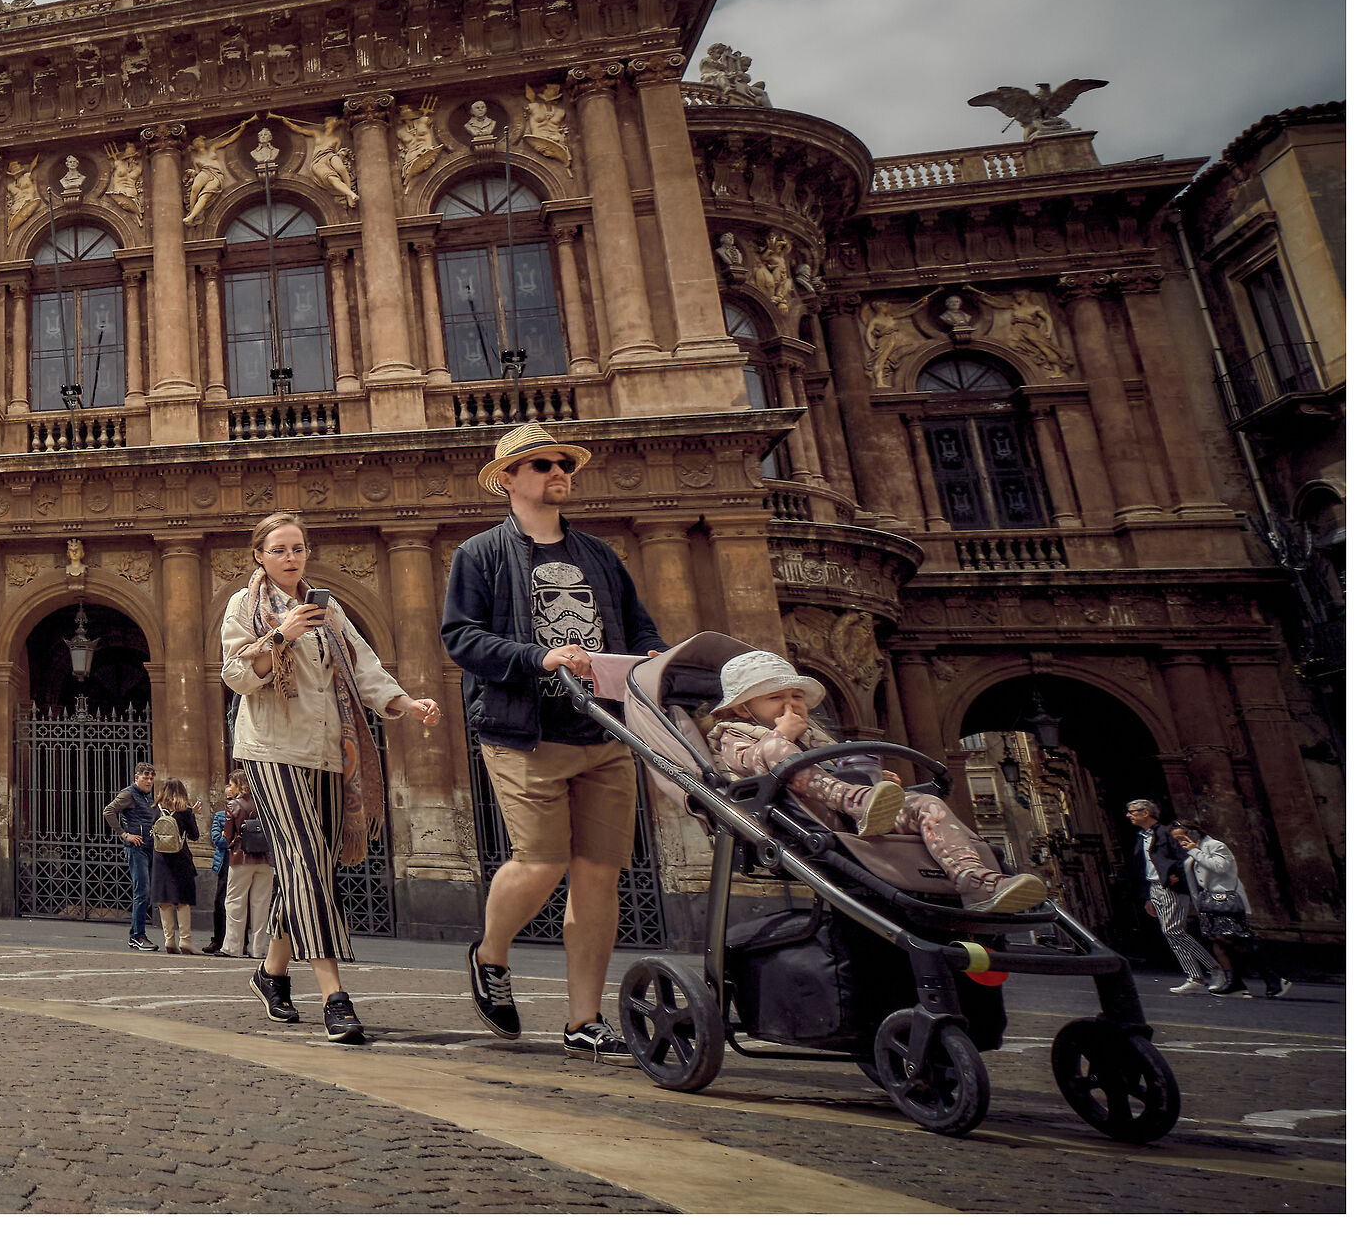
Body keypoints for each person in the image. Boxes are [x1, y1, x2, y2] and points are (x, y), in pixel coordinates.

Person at [441, 423, 668, 1064]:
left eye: (563, 463)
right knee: (541, 863)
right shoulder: (480, 555)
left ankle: (583, 1021)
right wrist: (540, 657)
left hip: (604, 731)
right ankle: (490, 953)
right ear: (507, 479)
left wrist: (652, 658)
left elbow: (639, 626)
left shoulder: (599, 555)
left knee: (599, 877)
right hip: (525, 732)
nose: (556, 471)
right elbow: (461, 640)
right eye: (539, 464)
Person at [224, 511, 442, 1044]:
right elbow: (235, 676)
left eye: (297, 548)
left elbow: (361, 664)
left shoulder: (327, 606)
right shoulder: (244, 608)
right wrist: (279, 635)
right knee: (305, 861)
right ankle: (334, 997)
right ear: (259, 556)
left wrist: (404, 702)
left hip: (326, 754)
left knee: (310, 867)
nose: (290, 557)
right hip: (272, 751)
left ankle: (271, 973)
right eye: (278, 549)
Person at [708, 651, 1046, 914]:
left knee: (928, 804)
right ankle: (860, 800)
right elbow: (750, 763)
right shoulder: (735, 735)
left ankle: (975, 880)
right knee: (779, 753)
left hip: (861, 818)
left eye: (797, 696)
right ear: (741, 710)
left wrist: (876, 779)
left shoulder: (814, 736)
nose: (791, 704)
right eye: (774, 698)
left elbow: (840, 763)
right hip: (805, 817)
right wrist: (782, 736)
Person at [1173, 820, 1293, 999]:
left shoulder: (1215, 846)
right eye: (1177, 840)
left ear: (1194, 833)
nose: (1180, 842)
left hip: (1226, 901)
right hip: (1209, 903)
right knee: (1217, 940)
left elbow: (1220, 868)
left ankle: (1273, 978)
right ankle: (1235, 984)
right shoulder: (1193, 852)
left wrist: (1194, 850)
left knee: (1230, 940)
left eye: (1181, 837)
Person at [1126, 799, 1226, 993]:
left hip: (1170, 887)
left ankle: (1215, 969)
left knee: (1173, 930)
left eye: (1132, 812)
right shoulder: (1141, 837)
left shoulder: (1166, 833)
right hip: (1154, 888)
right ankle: (1195, 977)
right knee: (1171, 934)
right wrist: (1147, 896)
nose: (1128, 815)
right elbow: (1143, 867)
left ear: (1145, 812)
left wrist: (1177, 878)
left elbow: (1184, 858)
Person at [102, 764, 163, 951]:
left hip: (149, 847)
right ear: (136, 777)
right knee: (141, 891)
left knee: (146, 892)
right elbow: (108, 811)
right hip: (136, 849)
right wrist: (124, 834)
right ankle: (137, 936)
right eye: (146, 777)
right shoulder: (128, 794)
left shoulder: (148, 796)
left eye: (152, 778)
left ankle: (137, 935)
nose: (149, 781)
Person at [219, 768, 276, 962]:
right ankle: (258, 949)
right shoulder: (266, 803)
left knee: (235, 902)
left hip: (241, 857)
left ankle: (233, 946)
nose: (231, 787)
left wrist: (226, 842)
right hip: (265, 859)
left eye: (232, 784)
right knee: (261, 904)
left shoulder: (233, 805)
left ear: (238, 784)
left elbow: (227, 834)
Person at [149, 779, 203, 955]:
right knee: (183, 899)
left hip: (160, 859)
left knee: (165, 899)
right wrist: (191, 814)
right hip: (180, 857)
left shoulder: (155, 809)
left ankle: (169, 939)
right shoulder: (184, 811)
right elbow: (194, 835)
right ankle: (185, 941)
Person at [201, 788, 232, 956]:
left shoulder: (247, 811)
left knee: (238, 905)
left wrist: (228, 837)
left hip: (240, 864)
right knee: (220, 903)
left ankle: (238, 940)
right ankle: (218, 939)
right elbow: (217, 840)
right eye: (227, 798)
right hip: (225, 864)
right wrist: (232, 839)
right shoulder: (220, 816)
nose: (229, 802)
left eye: (232, 798)